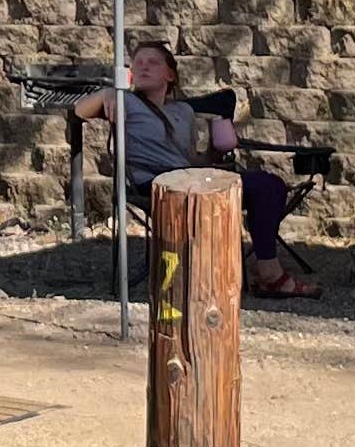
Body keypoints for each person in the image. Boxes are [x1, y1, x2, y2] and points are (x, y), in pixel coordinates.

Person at [77, 39, 317, 298]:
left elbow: (192, 160)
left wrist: (213, 153)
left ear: (170, 74)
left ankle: (265, 266)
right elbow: (80, 110)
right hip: (154, 183)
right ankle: (270, 275)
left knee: (270, 184)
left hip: (188, 178)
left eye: (153, 62)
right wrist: (108, 93)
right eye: (138, 63)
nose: (144, 67)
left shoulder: (184, 112)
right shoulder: (126, 102)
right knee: (263, 185)